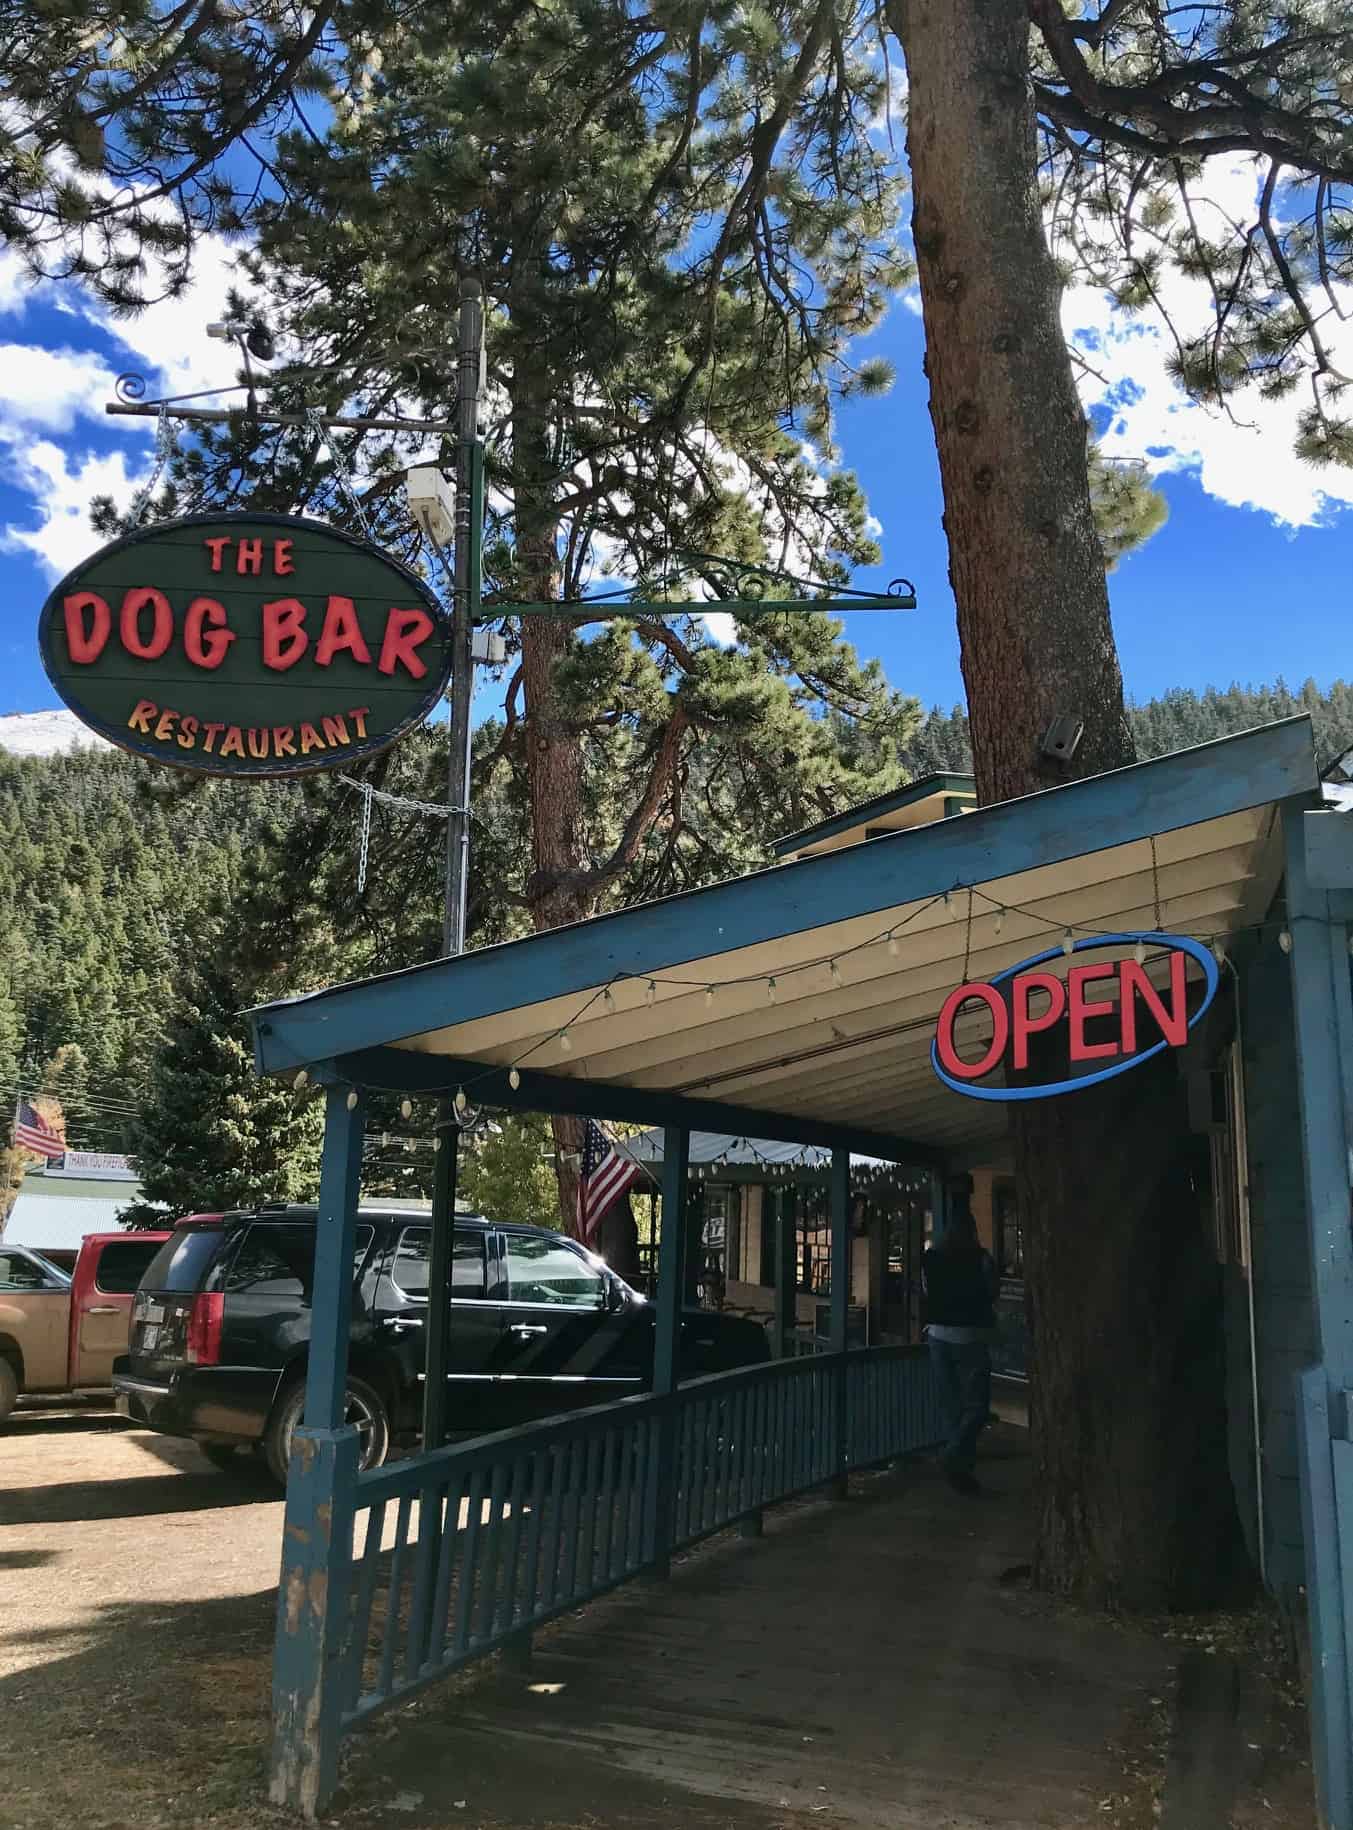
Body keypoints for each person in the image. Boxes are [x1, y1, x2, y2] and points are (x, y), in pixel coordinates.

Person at [922, 1176, 998, 1495]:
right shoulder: (982, 1259)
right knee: (977, 1407)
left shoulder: (932, 1257)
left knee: (952, 1406)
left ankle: (960, 1471)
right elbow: (992, 1292)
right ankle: (954, 1458)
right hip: (971, 1336)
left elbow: (926, 1293)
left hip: (938, 1336)